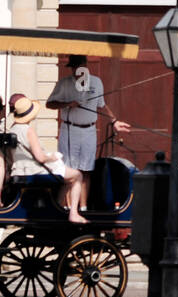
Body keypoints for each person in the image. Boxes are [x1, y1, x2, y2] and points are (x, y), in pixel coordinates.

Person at [45, 54, 130, 224]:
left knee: (86, 170)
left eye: (79, 66)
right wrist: (68, 103)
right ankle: (69, 208)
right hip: (70, 129)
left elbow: (102, 104)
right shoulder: (65, 83)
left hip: (89, 130)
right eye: (74, 67)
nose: (77, 70)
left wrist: (114, 121)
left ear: (85, 65)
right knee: (70, 169)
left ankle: (84, 208)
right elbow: (50, 103)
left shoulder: (96, 82)